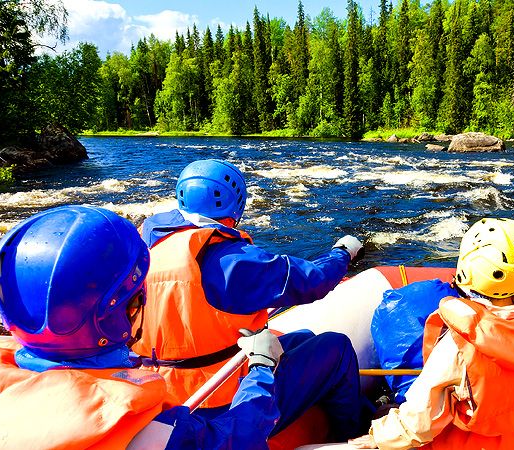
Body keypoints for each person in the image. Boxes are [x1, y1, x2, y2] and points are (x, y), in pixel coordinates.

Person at [0, 205, 285, 449]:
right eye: (136, 299)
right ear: (112, 317)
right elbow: (239, 439)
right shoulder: (146, 432)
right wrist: (261, 367)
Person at [132, 159, 366, 441]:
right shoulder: (232, 262)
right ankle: (356, 435)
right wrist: (343, 252)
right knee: (336, 346)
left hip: (158, 397)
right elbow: (313, 280)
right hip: (220, 402)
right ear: (236, 207)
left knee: (303, 336)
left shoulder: (141, 246)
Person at [351, 218, 514, 449]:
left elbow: (419, 423)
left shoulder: (459, 344)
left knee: (384, 413)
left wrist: (378, 436)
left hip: (453, 443)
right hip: (511, 439)